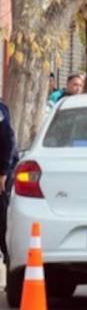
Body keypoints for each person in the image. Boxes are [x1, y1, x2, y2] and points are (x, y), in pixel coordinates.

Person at [0, 95, 17, 266]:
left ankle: (10, 258)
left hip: (2, 171)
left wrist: (3, 172)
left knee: (2, 217)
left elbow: (8, 140)